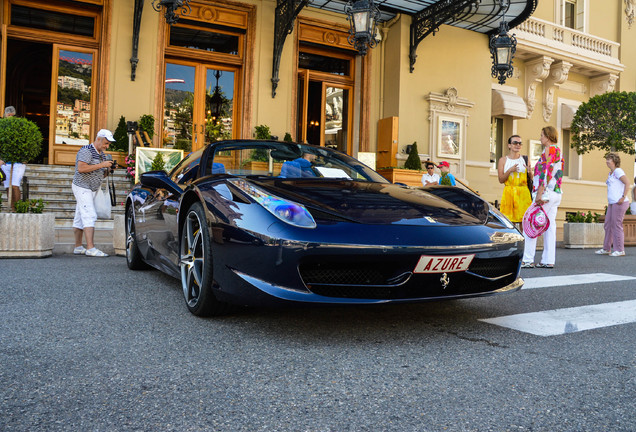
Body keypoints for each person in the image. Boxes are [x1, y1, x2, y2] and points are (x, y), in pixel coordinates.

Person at [522, 126, 563, 269]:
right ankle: (548, 260)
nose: (540, 138)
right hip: (555, 193)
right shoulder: (557, 150)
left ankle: (527, 259)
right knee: (550, 226)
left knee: (531, 221)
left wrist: (540, 192)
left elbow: (548, 171)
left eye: (541, 135)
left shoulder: (550, 149)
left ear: (548, 136)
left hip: (545, 193)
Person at [72, 129, 116, 257]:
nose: (107, 146)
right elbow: (81, 168)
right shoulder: (86, 150)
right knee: (89, 215)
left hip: (91, 188)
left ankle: (78, 247)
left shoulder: (101, 154)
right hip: (82, 187)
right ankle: (90, 248)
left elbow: (100, 174)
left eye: (108, 144)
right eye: (106, 143)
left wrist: (108, 169)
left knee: (79, 217)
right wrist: (102, 164)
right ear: (98, 139)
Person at [595, 153, 631, 257]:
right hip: (612, 203)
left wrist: (623, 196)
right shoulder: (611, 173)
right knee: (608, 225)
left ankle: (620, 250)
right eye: (606, 159)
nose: (607, 161)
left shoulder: (618, 171)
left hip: (619, 202)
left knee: (616, 225)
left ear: (614, 161)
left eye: (609, 159)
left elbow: (627, 182)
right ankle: (606, 248)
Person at [497, 135, 532, 225]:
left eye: (520, 143)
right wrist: (509, 171)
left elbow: (531, 178)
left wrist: (530, 172)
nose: (518, 145)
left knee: (524, 222)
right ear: (509, 145)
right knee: (509, 222)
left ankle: (525, 239)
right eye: (515, 143)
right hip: (509, 193)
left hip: (523, 193)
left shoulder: (525, 159)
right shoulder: (503, 160)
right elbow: (501, 180)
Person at [0, 106, 25, 210]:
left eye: (12, 116)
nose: (10, 117)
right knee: (7, 187)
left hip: (17, 163)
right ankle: (12, 208)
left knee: (15, 185)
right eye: (8, 115)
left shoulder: (20, 127)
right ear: (5, 115)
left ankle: (17, 209)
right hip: (5, 163)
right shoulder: (2, 127)